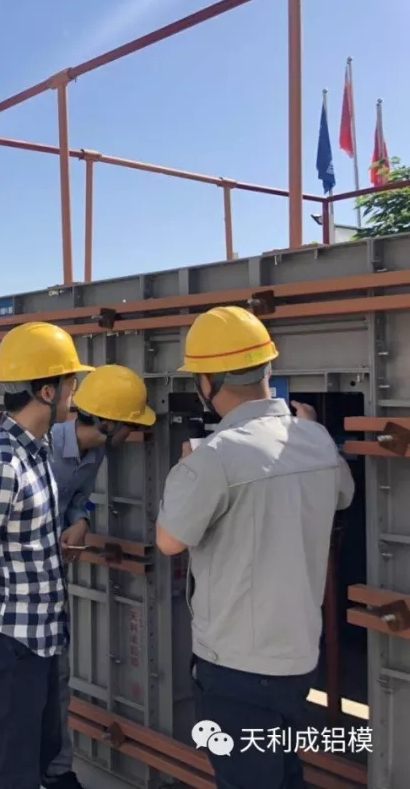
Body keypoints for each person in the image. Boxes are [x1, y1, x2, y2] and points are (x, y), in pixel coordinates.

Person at [155, 306, 355, 789]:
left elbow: (169, 540)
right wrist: (312, 430)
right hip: (298, 657)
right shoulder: (317, 441)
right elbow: (343, 495)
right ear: (267, 367)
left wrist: (184, 468)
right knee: (283, 773)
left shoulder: (214, 457)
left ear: (207, 381)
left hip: (236, 667)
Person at [0, 321, 93, 789]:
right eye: (70, 383)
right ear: (47, 391)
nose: (74, 393)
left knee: (36, 760)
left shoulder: (37, 452)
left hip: (40, 636)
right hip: (9, 642)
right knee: (10, 772)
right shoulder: (1, 463)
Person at [43, 364, 156, 789]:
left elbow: (80, 498)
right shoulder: (45, 448)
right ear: (107, 423)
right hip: (20, 583)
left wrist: (81, 521)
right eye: (130, 424)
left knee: (57, 676)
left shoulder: (97, 452)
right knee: (26, 685)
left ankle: (57, 772)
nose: (133, 433)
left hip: (52, 578)